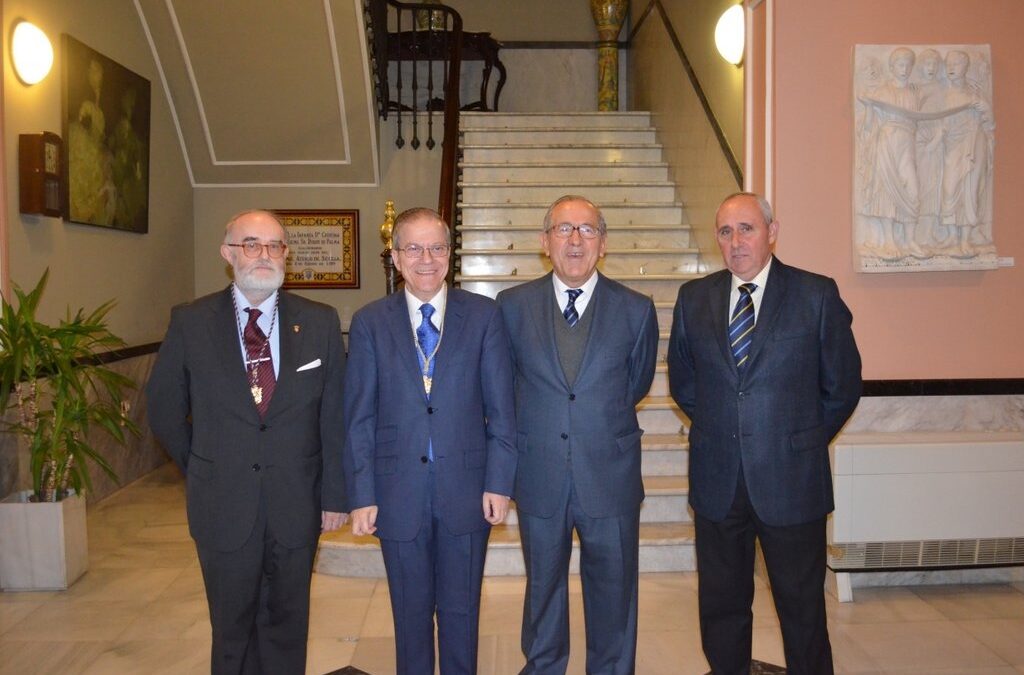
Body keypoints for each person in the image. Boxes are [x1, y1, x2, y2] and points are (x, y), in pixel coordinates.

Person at [147, 209, 348, 674]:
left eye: (275, 246)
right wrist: (205, 464)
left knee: (288, 625)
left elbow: (334, 416)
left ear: (286, 256)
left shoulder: (318, 322)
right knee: (232, 629)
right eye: (251, 244)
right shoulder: (191, 322)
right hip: (222, 503)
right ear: (227, 253)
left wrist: (335, 494)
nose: (264, 255)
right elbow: (164, 409)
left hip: (297, 504)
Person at [667, 192, 861, 675]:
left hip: (792, 480)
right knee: (721, 605)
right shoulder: (694, 299)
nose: (736, 242)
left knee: (801, 609)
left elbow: (842, 386)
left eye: (747, 229)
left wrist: (799, 439)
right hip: (718, 480)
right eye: (726, 232)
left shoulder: (816, 295)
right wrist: (727, 432)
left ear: (772, 232)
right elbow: (685, 383)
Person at [343, 207, 517, 675]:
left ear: (449, 254)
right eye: (414, 248)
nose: (427, 258)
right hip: (397, 493)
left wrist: (499, 483)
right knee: (410, 618)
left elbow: (502, 411)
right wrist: (361, 495)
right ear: (396, 258)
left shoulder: (483, 317)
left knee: (461, 617)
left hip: (467, 491)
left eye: (437, 247)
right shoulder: (369, 323)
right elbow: (358, 417)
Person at [497, 195, 658, 674]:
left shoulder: (636, 309)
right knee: (543, 587)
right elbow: (505, 385)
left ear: (603, 244)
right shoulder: (511, 306)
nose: (574, 240)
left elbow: (637, 382)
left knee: (614, 588)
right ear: (544, 243)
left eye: (587, 230)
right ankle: (544, 666)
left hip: (609, 471)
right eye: (563, 230)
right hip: (539, 469)